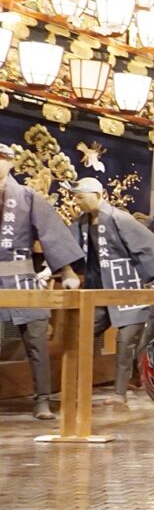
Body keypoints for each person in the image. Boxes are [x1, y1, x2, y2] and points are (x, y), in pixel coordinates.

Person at [71, 177, 154, 406]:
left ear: (97, 195)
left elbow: (147, 244)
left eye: (80, 197)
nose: (76, 202)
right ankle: (80, 385)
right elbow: (68, 249)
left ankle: (120, 392)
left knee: (125, 342)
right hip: (98, 290)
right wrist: (52, 270)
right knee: (84, 333)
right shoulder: (81, 222)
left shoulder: (119, 218)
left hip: (127, 288)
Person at [0, 142, 82, 421]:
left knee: (36, 342)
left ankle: (43, 400)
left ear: (12, 163)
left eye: (3, 158)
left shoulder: (27, 196)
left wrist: (67, 271)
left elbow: (51, 233)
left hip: (21, 278)